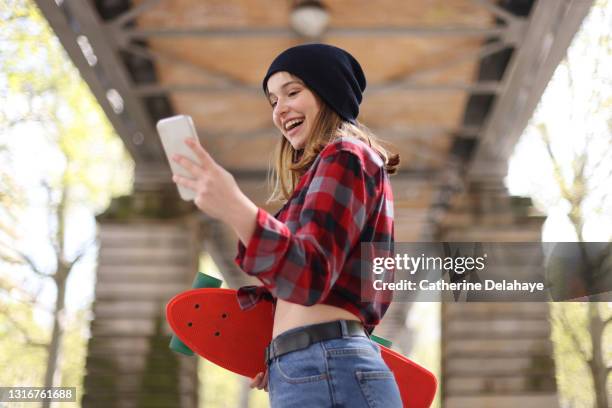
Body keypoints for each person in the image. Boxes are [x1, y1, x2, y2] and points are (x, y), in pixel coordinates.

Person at [172, 43, 401, 407]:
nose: (280, 109)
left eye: (293, 92)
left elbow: (309, 273)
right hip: (315, 365)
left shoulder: (346, 155)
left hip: (327, 364)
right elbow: (305, 287)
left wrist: (234, 206)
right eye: (273, 101)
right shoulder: (330, 172)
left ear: (328, 93)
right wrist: (281, 349)